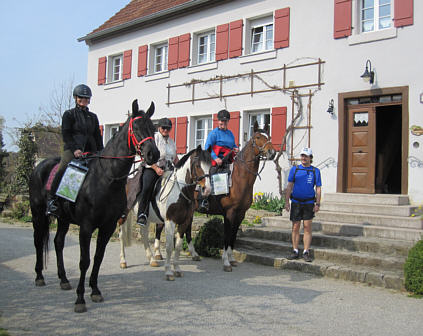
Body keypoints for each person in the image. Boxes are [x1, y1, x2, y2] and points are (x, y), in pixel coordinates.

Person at [46, 84, 104, 216]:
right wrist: (75, 149)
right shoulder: (69, 114)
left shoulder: (93, 117)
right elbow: (66, 134)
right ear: (75, 98)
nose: (83, 100)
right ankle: (52, 200)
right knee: (63, 168)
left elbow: (97, 136)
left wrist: (101, 152)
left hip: (91, 151)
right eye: (81, 97)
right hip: (72, 150)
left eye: (86, 97)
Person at [136, 117, 179, 226]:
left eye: (168, 128)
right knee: (147, 187)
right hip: (152, 168)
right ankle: (142, 214)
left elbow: (175, 158)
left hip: (168, 170)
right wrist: (156, 168)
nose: (165, 130)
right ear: (159, 128)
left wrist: (180, 167)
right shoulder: (154, 138)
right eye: (163, 128)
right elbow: (147, 156)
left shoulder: (171, 142)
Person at [284, 147, 322, 262]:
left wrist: (318, 204)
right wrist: (286, 202)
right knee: (295, 227)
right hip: (296, 202)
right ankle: (295, 250)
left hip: (309, 203)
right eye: (302, 156)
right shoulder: (295, 170)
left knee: (307, 227)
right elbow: (289, 186)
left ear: (311, 158)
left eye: (306, 156)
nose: (303, 158)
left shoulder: (315, 171)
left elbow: (318, 188)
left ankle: (306, 251)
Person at [198, 109, 239, 211]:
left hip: (228, 160)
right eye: (220, 120)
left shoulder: (230, 133)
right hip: (215, 161)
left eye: (224, 121)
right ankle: (204, 200)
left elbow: (233, 145)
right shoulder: (213, 133)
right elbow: (207, 147)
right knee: (210, 175)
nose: (222, 123)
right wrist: (215, 158)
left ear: (228, 122)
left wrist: (236, 148)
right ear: (218, 121)